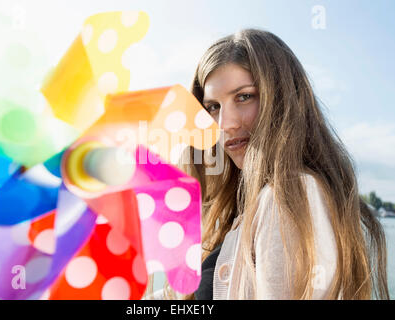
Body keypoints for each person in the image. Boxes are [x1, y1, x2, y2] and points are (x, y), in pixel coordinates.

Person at [145, 28, 388, 300]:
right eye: (213, 106)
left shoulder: (290, 196)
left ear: (282, 99)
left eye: (244, 96)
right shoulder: (246, 205)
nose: (225, 124)